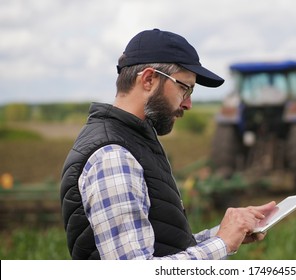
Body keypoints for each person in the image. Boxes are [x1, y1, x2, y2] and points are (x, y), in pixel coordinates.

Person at [60, 28, 276, 260]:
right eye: (185, 88)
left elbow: (160, 246)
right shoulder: (114, 156)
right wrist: (222, 244)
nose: (188, 104)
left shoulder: (133, 143)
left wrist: (227, 233)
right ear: (149, 79)